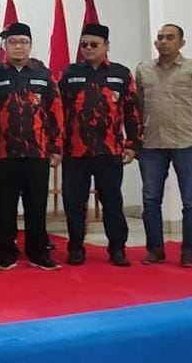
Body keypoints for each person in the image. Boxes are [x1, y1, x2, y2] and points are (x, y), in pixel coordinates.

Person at [136, 24, 192, 268]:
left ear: (181, 43)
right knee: (151, 200)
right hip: (152, 144)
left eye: (170, 38)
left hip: (186, 143)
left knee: (191, 201)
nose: (163, 42)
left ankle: (189, 251)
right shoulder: (143, 70)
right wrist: (134, 139)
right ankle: (155, 249)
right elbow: (137, 109)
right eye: (160, 38)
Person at [58, 23, 141, 267]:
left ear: (106, 46)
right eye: (84, 44)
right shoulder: (68, 73)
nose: (88, 48)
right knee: (74, 204)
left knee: (112, 202)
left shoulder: (121, 74)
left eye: (94, 44)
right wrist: (57, 145)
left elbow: (132, 111)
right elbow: (57, 111)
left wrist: (132, 144)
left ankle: (117, 249)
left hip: (109, 150)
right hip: (75, 151)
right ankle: (76, 248)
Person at [0, 23, 64, 271]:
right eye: (13, 42)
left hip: (36, 151)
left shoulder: (43, 74)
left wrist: (56, 146)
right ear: (4, 46)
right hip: (3, 152)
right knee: (4, 206)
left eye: (23, 42)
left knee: (36, 205)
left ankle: (38, 252)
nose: (18, 47)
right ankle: (5, 253)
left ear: (30, 45)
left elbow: (55, 111)